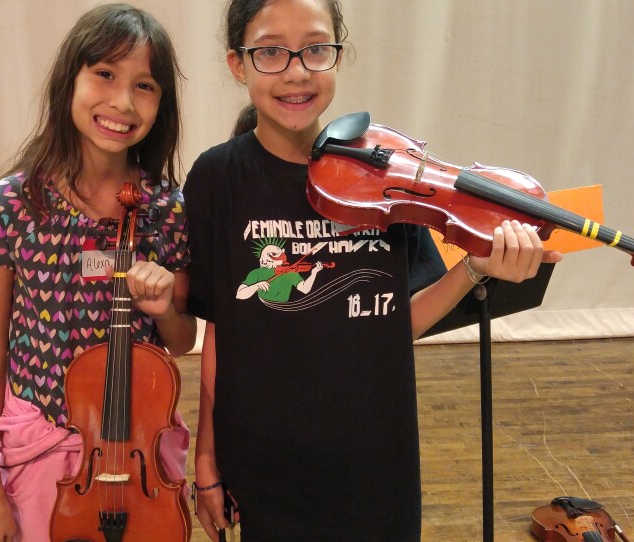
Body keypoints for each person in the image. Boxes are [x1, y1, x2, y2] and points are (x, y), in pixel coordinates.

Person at [181, 1, 564, 540]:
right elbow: (219, 332)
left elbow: (399, 322)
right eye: (270, 52)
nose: (296, 71)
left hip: (376, 454)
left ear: (338, 54)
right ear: (237, 64)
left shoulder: (386, 171)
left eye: (316, 48)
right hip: (265, 456)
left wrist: (475, 268)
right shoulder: (217, 177)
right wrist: (206, 461)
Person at [0, 4, 196, 541]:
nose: (122, 102)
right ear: (70, 79)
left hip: (135, 450)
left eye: (144, 85)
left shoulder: (167, 209)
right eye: (105, 74)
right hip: (39, 442)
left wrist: (164, 311)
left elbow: (182, 340)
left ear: (162, 103)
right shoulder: (12, 205)